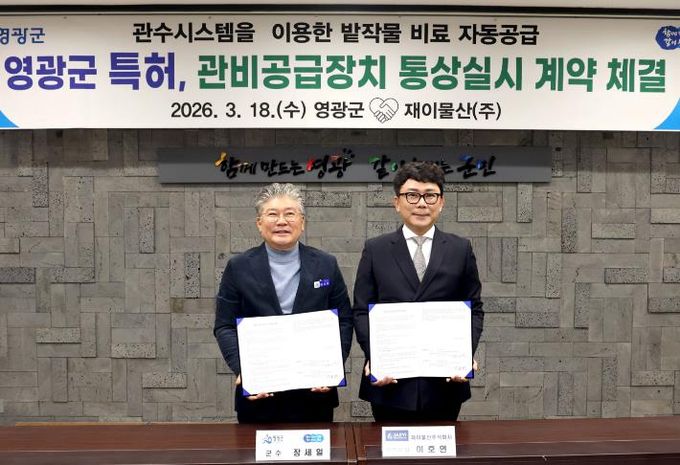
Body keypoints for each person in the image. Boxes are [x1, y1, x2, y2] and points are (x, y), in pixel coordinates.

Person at [353, 161, 484, 422]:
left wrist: (463, 354)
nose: (422, 204)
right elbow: (361, 310)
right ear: (397, 202)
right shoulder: (376, 249)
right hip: (390, 384)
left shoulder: (460, 249)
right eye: (412, 195)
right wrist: (376, 357)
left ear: (441, 202)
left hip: (444, 383)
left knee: (442, 446)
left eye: (430, 196)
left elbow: (474, 309)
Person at [214, 183, 353, 423]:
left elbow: (344, 321)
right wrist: (244, 370)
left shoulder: (325, 264)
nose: (281, 221)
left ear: (302, 222)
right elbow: (224, 326)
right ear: (259, 223)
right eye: (272, 214)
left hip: (314, 394)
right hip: (260, 394)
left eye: (290, 213)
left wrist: (332, 368)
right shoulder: (238, 267)